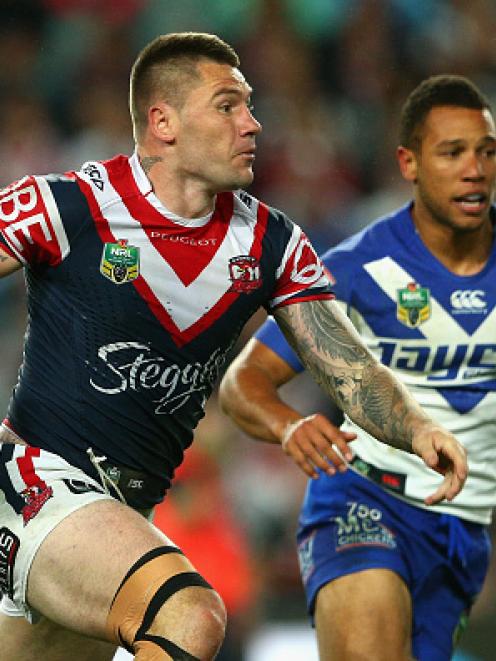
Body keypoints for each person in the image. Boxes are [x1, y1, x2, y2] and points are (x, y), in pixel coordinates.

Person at [0, 31, 467, 661]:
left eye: (249, 106)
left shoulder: (272, 244)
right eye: (228, 106)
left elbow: (349, 369)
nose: (253, 124)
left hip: (120, 518)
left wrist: (414, 427)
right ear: (162, 121)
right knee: (190, 616)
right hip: (35, 485)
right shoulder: (69, 206)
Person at [219, 74, 496, 661]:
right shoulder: (355, 269)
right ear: (409, 163)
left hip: (464, 528)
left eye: (487, 151)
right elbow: (244, 383)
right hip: (363, 499)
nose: (475, 169)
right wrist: (289, 425)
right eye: (452, 152)